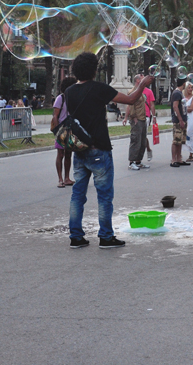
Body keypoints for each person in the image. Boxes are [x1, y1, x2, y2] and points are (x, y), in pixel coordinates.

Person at [65, 52, 154, 249]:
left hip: (79, 149)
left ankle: (76, 236)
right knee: (104, 195)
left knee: (77, 194)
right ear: (94, 70)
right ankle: (106, 236)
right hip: (99, 149)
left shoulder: (69, 92)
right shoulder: (99, 89)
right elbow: (130, 99)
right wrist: (143, 84)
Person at [52, 76, 77, 186]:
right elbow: (55, 116)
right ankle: (60, 179)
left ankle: (67, 178)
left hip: (71, 129)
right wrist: (58, 132)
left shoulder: (74, 99)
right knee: (60, 154)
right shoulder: (60, 98)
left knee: (68, 154)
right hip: (61, 129)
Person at [123, 74, 150, 171]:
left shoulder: (140, 91)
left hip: (142, 118)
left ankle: (138, 160)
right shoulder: (132, 92)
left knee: (142, 141)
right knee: (135, 140)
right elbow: (130, 105)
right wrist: (132, 117)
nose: (144, 79)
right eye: (142, 78)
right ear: (138, 80)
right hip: (137, 119)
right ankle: (132, 162)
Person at [169, 77, 189, 168]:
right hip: (178, 121)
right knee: (176, 140)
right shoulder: (177, 93)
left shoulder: (180, 93)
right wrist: (180, 120)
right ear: (184, 83)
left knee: (180, 140)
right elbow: (175, 107)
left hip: (183, 119)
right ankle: (173, 160)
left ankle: (179, 159)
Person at [183, 82, 193, 162]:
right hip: (184, 118)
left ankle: (191, 154)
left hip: (191, 119)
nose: (190, 89)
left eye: (191, 88)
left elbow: (191, 108)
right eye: (189, 87)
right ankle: (180, 153)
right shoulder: (182, 97)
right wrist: (186, 107)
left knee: (191, 134)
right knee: (183, 135)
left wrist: (184, 108)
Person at [143, 80, 156, 161]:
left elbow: (151, 104)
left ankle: (148, 150)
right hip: (136, 116)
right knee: (139, 136)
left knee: (143, 136)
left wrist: (154, 116)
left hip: (146, 115)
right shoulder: (134, 91)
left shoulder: (149, 91)